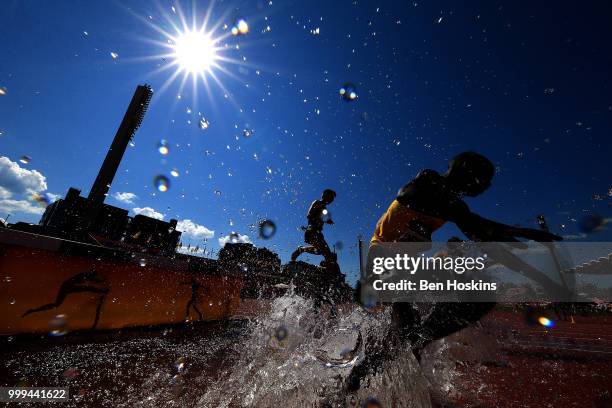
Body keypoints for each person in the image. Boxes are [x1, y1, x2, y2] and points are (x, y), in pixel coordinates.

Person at [346, 151, 562, 392]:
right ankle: (379, 364)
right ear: (466, 172)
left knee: (474, 298)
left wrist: (540, 275)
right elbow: (417, 197)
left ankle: (395, 354)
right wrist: (510, 230)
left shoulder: (455, 205)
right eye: (485, 179)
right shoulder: (429, 180)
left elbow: (484, 237)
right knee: (408, 331)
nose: (488, 186)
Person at [291, 189, 337, 265]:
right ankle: (329, 270)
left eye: (333, 199)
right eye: (331, 197)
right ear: (324, 195)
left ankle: (301, 249)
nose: (332, 200)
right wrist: (322, 218)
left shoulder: (324, 208)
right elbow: (309, 215)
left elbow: (321, 217)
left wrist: (327, 220)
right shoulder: (317, 202)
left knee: (319, 251)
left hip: (317, 232)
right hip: (312, 231)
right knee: (327, 253)